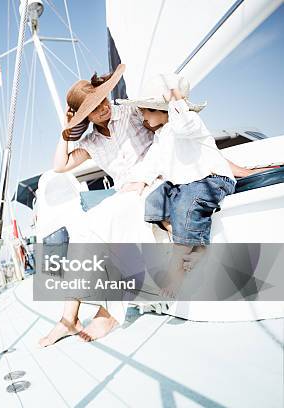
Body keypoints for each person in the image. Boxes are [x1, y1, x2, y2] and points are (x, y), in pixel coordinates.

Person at [39, 67, 260, 346]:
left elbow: (176, 130)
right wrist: (67, 129)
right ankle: (68, 317)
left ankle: (107, 312)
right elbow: (60, 166)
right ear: (86, 117)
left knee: (119, 219)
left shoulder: (132, 113)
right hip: (128, 191)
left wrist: (237, 169)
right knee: (85, 227)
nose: (104, 107)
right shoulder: (91, 143)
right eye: (94, 108)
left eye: (102, 100)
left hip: (157, 182)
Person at [120, 74, 242, 296]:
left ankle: (178, 269)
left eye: (145, 110)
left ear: (162, 110)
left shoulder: (189, 122)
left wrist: (176, 100)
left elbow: (185, 124)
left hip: (211, 179)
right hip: (185, 185)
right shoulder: (161, 135)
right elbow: (152, 162)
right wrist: (139, 181)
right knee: (154, 200)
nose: (142, 116)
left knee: (185, 205)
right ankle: (195, 246)